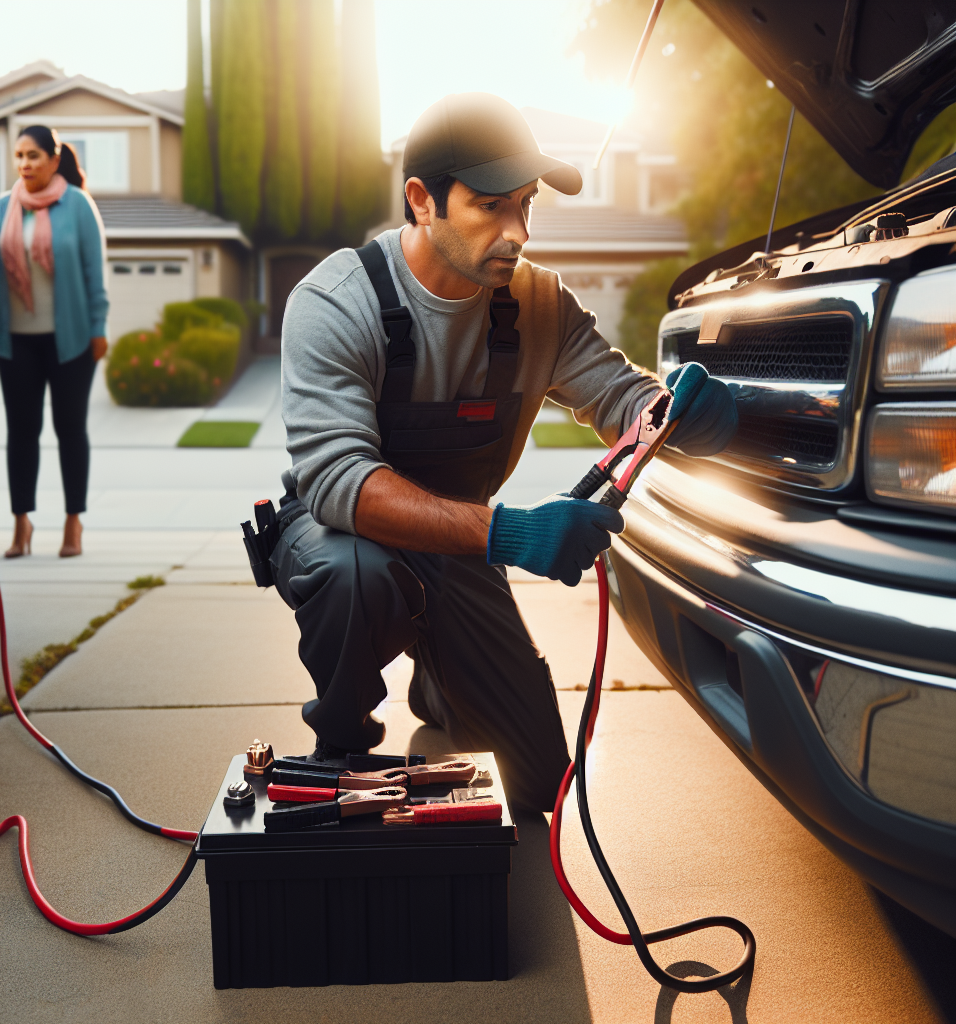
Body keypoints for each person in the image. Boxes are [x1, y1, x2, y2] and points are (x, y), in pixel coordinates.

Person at [273, 94, 738, 810]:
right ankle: (339, 741)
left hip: (460, 542)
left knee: (532, 784)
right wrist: (512, 533)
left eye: (526, 206)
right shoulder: (339, 299)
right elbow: (339, 482)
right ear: (422, 200)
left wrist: (675, 413)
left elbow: (619, 396)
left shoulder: (538, 304)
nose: (517, 232)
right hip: (344, 532)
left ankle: (441, 672)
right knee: (356, 573)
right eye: (491, 206)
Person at [0, 125, 108, 558]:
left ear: (54, 160)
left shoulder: (77, 206)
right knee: (22, 433)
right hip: (16, 342)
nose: (24, 164)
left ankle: (72, 523)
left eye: (33, 156)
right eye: (19, 156)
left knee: (70, 431)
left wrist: (99, 330)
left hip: (73, 341)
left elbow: (93, 273)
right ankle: (21, 524)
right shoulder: (5, 206)